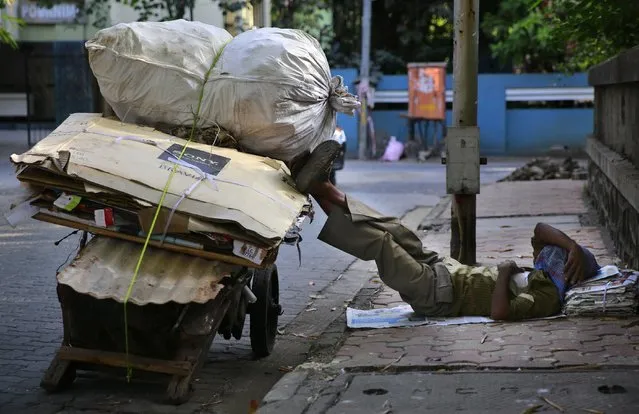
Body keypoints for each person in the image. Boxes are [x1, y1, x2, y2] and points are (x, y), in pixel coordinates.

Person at [291, 141, 601, 321]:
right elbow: (540, 230)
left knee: (382, 244)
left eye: (563, 261)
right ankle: (324, 187)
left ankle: (318, 190)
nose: (552, 257)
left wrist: (505, 271)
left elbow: (500, 313)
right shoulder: (542, 274)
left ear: (570, 277)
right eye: (561, 255)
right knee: (395, 229)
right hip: (444, 270)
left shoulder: (549, 297)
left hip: (439, 295)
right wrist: (572, 244)